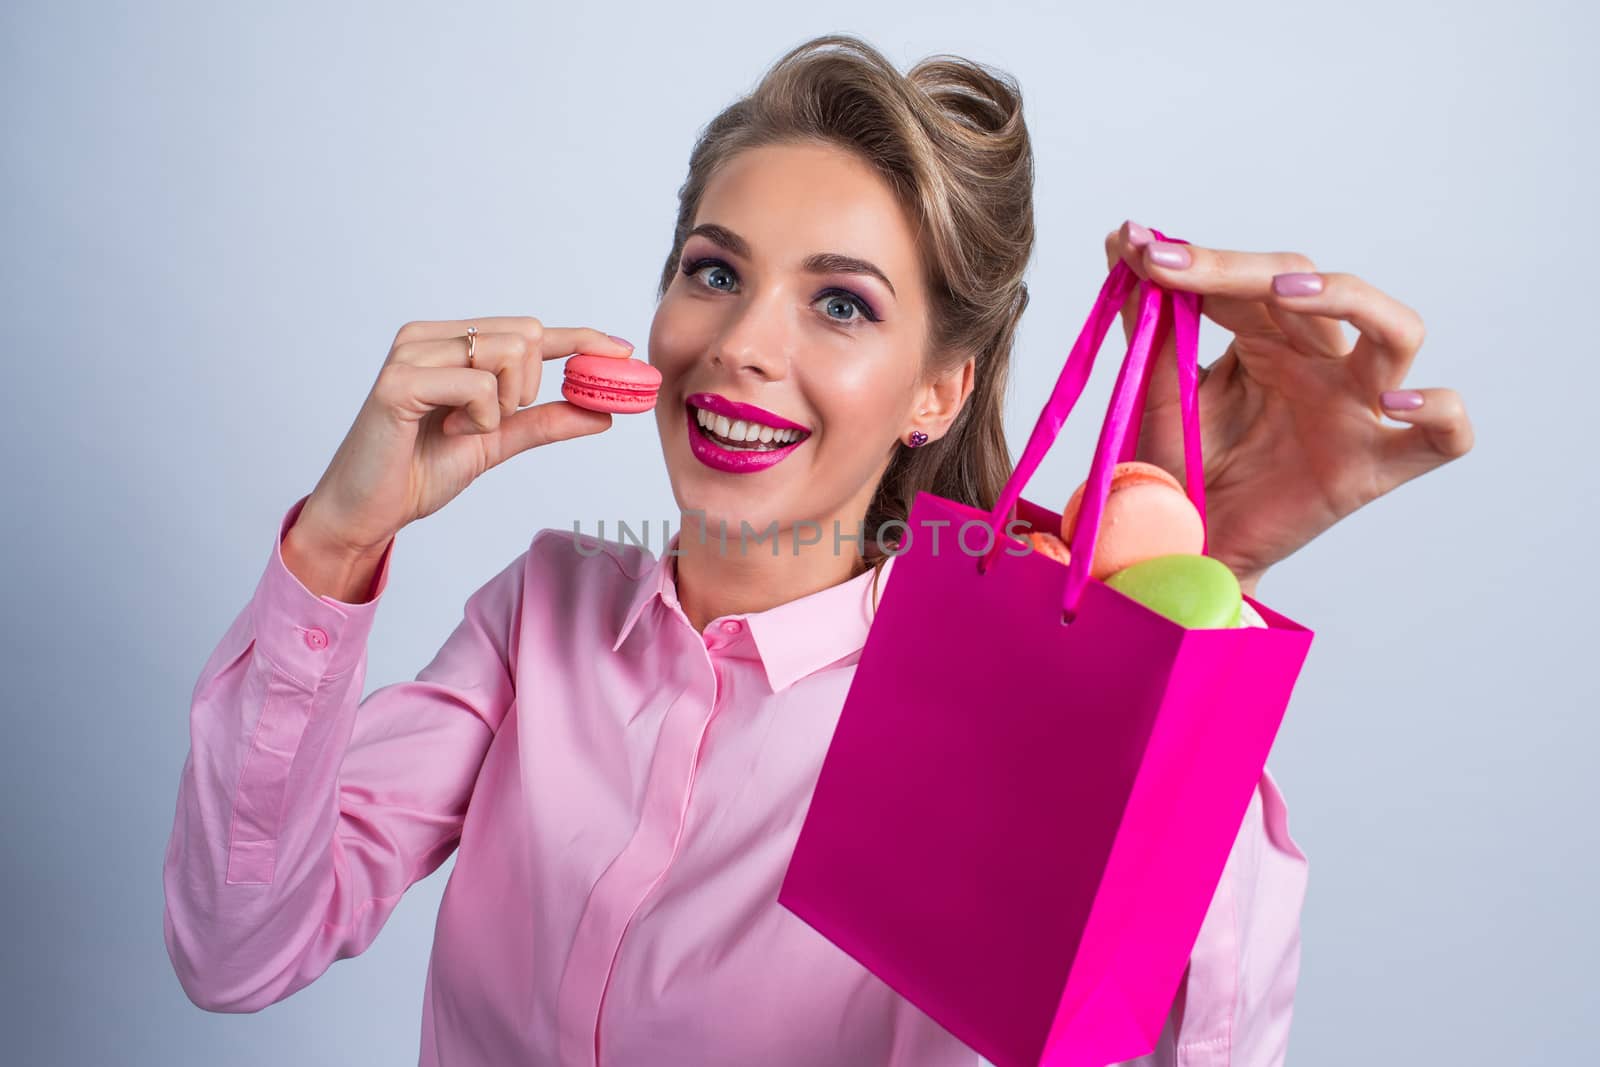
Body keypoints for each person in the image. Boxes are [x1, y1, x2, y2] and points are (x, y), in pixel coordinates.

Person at [161, 33, 1474, 1067]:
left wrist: (1177, 646)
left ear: (936, 394)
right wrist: (341, 538)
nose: (739, 344)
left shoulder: (998, 704)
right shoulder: (540, 614)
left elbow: (1171, 1042)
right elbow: (236, 954)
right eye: (715, 272)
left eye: (840, 302)